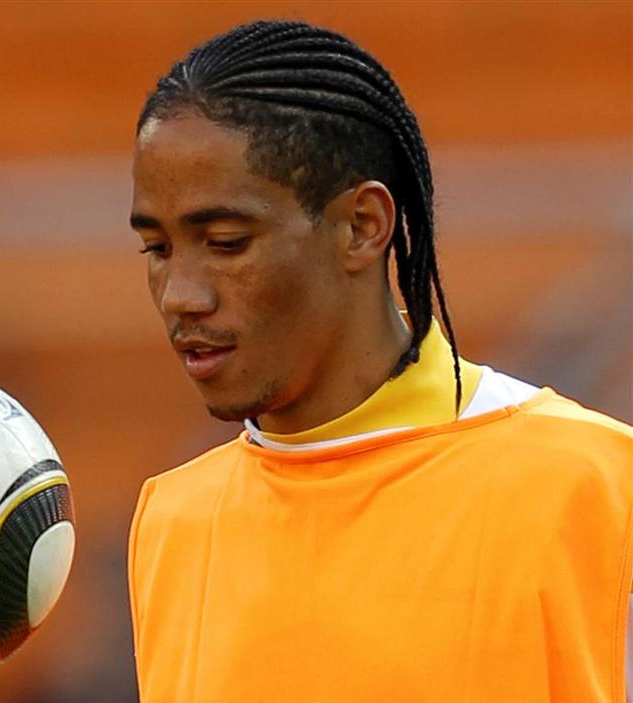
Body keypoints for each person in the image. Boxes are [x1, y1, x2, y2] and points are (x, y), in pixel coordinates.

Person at [126, 20, 632, 703]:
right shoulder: (171, 520)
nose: (181, 296)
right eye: (157, 250)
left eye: (225, 241)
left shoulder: (597, 487)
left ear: (362, 225)